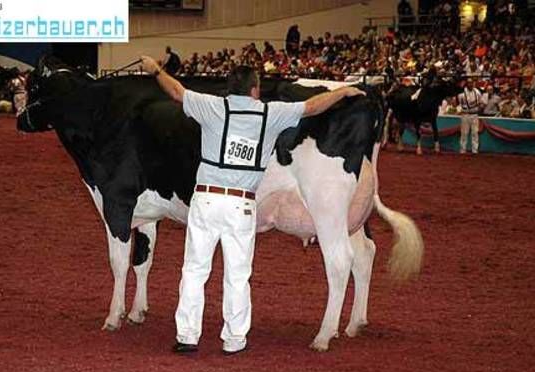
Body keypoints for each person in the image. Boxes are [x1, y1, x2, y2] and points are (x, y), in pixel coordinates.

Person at [139, 55, 365, 355]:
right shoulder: (270, 113)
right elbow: (312, 106)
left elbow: (177, 91)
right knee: (237, 274)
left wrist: (155, 69)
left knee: (194, 269)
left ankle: (187, 335)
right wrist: (341, 92)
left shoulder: (212, 106)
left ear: (229, 89)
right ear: (255, 90)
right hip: (241, 204)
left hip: (206, 200)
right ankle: (234, 339)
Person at [457, 78, 482, 154]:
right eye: (469, 83)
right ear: (466, 84)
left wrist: (479, 108)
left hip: (474, 115)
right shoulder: (461, 93)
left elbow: (480, 102)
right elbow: (460, 104)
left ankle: (475, 150)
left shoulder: (477, 92)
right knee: (464, 133)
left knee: (475, 133)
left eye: (471, 83)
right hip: (465, 115)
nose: (470, 84)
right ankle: (462, 150)